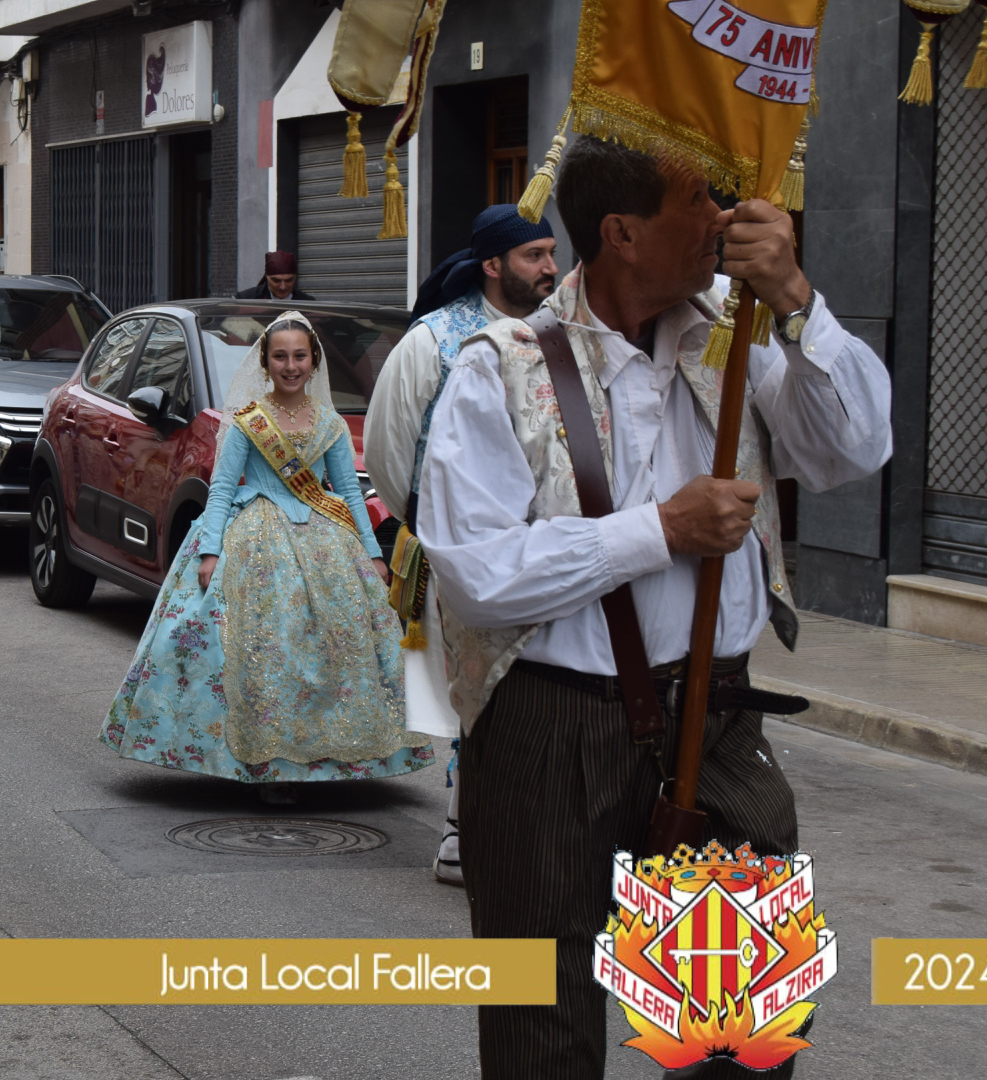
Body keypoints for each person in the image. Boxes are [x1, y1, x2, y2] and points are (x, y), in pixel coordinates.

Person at [414, 137, 893, 1079]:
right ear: (622, 233)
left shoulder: (737, 337)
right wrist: (660, 530)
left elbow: (856, 448)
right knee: (541, 1029)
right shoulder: (497, 367)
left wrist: (796, 298)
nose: (724, 220)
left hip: (717, 722)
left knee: (742, 1036)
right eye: (700, 202)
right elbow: (477, 574)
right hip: (549, 731)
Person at [103, 311, 427, 797]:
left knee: (336, 647)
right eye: (280, 357)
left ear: (313, 361)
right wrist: (210, 551)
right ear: (265, 362)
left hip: (324, 541)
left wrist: (371, 552)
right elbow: (219, 489)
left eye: (299, 356)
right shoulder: (248, 421)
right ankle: (267, 764)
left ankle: (327, 756)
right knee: (262, 650)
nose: (290, 366)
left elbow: (349, 494)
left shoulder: (332, 424)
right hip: (254, 538)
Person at [361, 202, 557, 886]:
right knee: (478, 690)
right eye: (534, 256)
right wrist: (436, 531)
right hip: (462, 557)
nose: (551, 268)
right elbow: (388, 452)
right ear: (493, 264)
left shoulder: (560, 334)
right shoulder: (433, 341)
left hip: (549, 550)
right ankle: (461, 832)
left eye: (552, 254)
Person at [234, 251, 316, 301]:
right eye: (276, 281)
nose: (283, 287)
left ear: (295, 278)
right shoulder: (245, 300)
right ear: (267, 277)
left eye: (288, 280)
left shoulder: (308, 303)